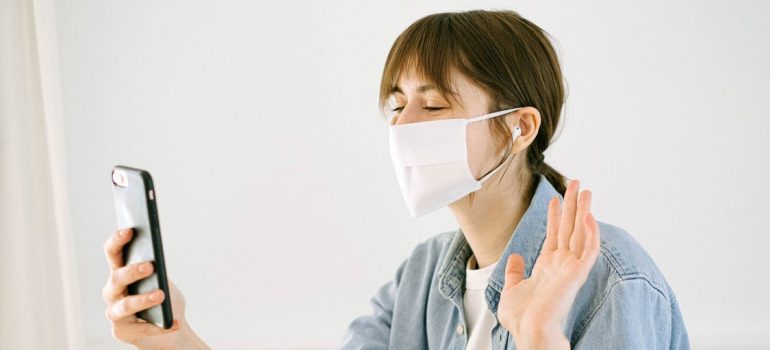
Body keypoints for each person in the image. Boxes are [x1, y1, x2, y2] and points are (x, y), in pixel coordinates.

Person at [102, 9, 690, 350]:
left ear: (518, 128)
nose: (404, 125)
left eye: (433, 106)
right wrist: (176, 339)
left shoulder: (614, 279)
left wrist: (539, 336)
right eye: (396, 104)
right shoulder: (423, 276)